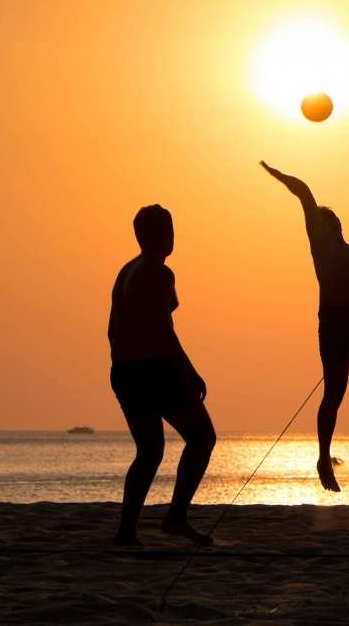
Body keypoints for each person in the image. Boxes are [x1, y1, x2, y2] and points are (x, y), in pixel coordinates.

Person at [261, 161, 349, 491]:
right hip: (335, 323)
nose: (327, 229)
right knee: (334, 393)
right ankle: (324, 457)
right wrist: (278, 175)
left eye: (330, 226)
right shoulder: (320, 246)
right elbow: (304, 193)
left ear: (337, 227)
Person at [108, 205, 217, 547]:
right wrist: (190, 372)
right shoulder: (157, 272)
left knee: (150, 450)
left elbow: (122, 327)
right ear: (165, 235)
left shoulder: (128, 269)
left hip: (125, 370)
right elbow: (162, 329)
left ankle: (127, 531)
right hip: (152, 369)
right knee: (202, 437)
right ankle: (175, 517)